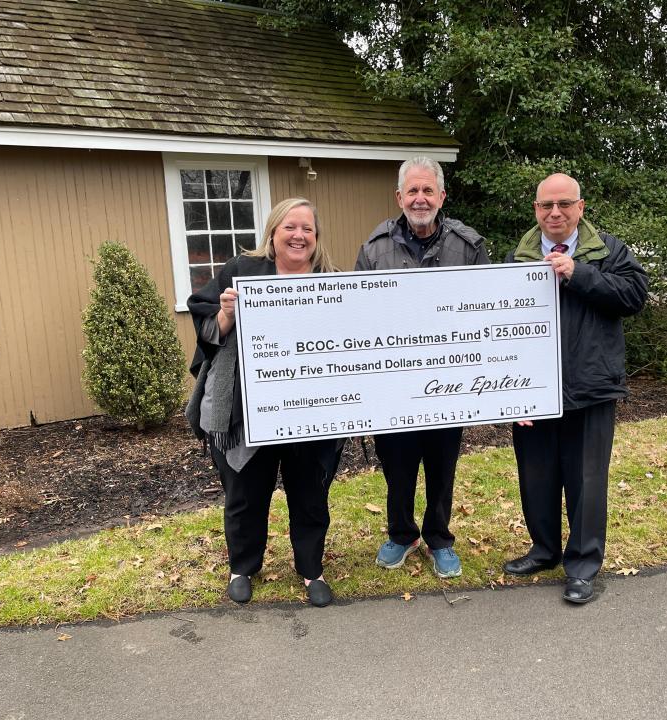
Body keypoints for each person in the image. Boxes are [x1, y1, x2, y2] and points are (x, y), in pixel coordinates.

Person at [186, 198, 343, 608]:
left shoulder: (333, 280)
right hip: (248, 410)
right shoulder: (242, 272)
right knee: (245, 492)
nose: (299, 236)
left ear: (316, 237)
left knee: (310, 494)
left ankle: (311, 569)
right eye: (290, 227)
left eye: (307, 229)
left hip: (312, 409)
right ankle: (243, 566)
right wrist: (226, 316)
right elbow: (205, 321)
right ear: (273, 233)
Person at [503, 173, 647, 603]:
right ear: (536, 210)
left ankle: (583, 566)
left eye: (564, 204)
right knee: (537, 476)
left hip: (591, 386)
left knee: (586, 480)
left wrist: (579, 274)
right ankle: (544, 551)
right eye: (546, 205)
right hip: (532, 390)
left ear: (580, 208)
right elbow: (498, 331)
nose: (555, 212)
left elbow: (634, 296)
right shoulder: (516, 258)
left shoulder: (607, 250)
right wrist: (509, 393)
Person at [355, 156, 490, 578]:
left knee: (441, 464)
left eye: (427, 190)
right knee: (397, 466)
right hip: (393, 387)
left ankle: (438, 537)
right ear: (399, 197)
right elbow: (357, 318)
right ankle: (400, 533)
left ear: (442, 196)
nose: (419, 198)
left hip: (448, 383)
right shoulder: (374, 249)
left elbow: (487, 314)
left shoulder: (469, 247)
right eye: (412, 191)